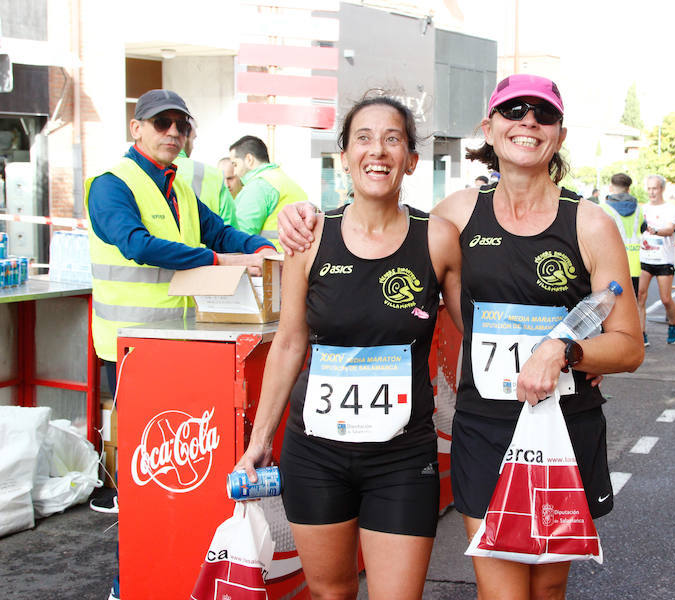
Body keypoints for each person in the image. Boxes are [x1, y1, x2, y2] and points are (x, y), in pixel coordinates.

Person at [275, 74, 644, 600]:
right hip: (487, 430)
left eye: (543, 115)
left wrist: (565, 350)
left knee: (547, 588)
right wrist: (306, 216)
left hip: (565, 427)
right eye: (514, 111)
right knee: (502, 592)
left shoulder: (590, 224)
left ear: (559, 135)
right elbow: (379, 218)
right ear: (489, 128)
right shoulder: (454, 217)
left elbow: (630, 346)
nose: (528, 122)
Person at [234, 96, 462, 600]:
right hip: (315, 453)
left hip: (402, 458)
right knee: (330, 593)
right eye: (363, 138)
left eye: (392, 139)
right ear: (343, 155)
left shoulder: (438, 239)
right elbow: (290, 342)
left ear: (411, 159)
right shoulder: (311, 236)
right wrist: (258, 442)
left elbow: (476, 331)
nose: (377, 151)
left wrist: (564, 355)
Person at [84, 88, 276, 600]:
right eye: (162, 122)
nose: (173, 132)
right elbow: (137, 245)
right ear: (136, 128)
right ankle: (132, 583)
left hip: (188, 352)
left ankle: (183, 573)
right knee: (146, 485)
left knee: (189, 476)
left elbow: (223, 232)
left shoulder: (180, 189)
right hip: (132, 353)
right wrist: (219, 262)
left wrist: (266, 248)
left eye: (182, 125)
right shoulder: (111, 186)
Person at [229, 134, 308, 251]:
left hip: (271, 262)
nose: (234, 172)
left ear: (249, 159)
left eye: (235, 164)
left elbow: (240, 236)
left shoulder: (257, 186)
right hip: (294, 258)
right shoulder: (283, 180)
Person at [638, 174, 675, 345]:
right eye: (649, 188)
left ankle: (672, 323)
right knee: (640, 296)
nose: (651, 192)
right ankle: (642, 333)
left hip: (664, 260)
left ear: (661, 189)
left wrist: (653, 230)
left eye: (654, 188)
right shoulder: (642, 209)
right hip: (645, 258)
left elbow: (670, 229)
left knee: (665, 299)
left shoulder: (670, 208)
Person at [173, 123, 238, 228]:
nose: (193, 146)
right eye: (193, 139)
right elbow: (230, 230)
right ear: (185, 138)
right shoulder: (214, 176)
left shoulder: (143, 170)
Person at [599, 173, 642, 298]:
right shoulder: (639, 209)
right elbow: (642, 228)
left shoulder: (603, 208)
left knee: (611, 306)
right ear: (628, 189)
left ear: (611, 188)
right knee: (632, 304)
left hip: (611, 264)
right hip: (634, 264)